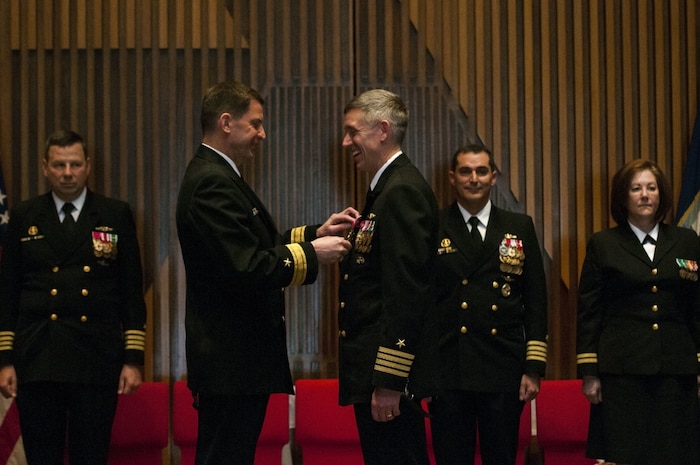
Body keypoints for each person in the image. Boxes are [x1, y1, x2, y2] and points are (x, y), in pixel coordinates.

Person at [175, 80, 356, 465]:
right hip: (230, 361)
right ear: (226, 122)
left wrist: (314, 234)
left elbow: (255, 244)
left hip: (236, 362)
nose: (262, 133)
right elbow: (244, 266)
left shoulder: (221, 175)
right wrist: (312, 254)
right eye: (255, 123)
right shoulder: (211, 182)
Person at [0, 129, 147, 465]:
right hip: (38, 358)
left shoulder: (114, 215)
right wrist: (5, 360)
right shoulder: (25, 216)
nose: (67, 173)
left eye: (75, 164)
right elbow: (8, 292)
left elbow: (130, 290)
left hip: (95, 357)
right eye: (59, 165)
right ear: (45, 167)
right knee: (42, 456)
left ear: (88, 166)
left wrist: (132, 358)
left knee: (91, 456)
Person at [337, 88, 439, 465]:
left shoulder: (401, 191)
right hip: (379, 374)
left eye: (352, 132)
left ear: (382, 130)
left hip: (389, 379)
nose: (346, 142)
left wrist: (390, 381)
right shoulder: (387, 187)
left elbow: (406, 293)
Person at [429, 144, 548, 465]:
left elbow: (536, 299)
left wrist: (533, 367)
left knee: (501, 457)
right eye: (465, 171)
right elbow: (422, 301)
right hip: (449, 368)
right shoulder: (434, 226)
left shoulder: (519, 226)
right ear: (452, 178)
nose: (474, 178)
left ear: (494, 177)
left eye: (481, 171)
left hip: (503, 368)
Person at [577, 159, 700, 465]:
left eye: (651, 188)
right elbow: (589, 311)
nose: (645, 195)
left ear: (661, 195)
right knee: (626, 453)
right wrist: (589, 372)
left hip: (676, 369)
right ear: (623, 196)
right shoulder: (604, 244)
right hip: (622, 371)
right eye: (636, 188)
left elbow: (696, 307)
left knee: (676, 452)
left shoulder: (686, 241)